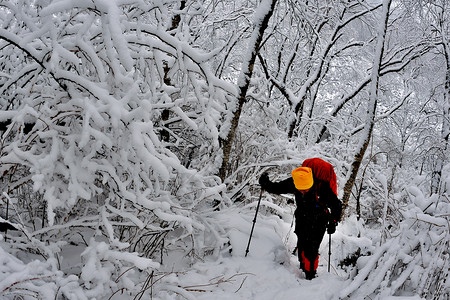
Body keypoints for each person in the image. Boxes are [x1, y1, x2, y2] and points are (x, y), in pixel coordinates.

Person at [259, 158, 342, 280]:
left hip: (319, 221)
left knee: (312, 249)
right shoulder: (295, 181)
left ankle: (311, 274)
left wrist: (333, 222)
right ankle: (304, 266)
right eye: (300, 189)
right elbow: (278, 188)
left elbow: (336, 205)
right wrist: (266, 183)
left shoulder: (322, 186)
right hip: (302, 218)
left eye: (305, 189)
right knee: (302, 243)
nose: (302, 191)